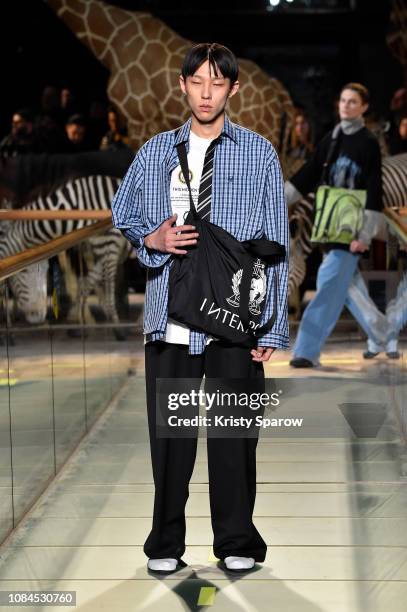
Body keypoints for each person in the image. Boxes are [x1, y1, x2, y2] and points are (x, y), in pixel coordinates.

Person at [111, 42, 289, 573]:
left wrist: (272, 324)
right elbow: (124, 213)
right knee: (170, 439)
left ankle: (236, 540)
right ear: (182, 85)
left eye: (217, 83)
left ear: (234, 89)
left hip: (235, 318)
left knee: (235, 435)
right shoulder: (155, 151)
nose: (206, 92)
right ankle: (165, 543)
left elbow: (274, 240)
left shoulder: (258, 152)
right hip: (170, 314)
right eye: (197, 82)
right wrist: (153, 238)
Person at [285, 83, 383, 367]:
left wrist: (365, 234)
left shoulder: (368, 143)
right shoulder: (332, 139)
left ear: (364, 107)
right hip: (328, 223)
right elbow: (308, 175)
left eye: (353, 102)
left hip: (350, 228)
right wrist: (276, 198)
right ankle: (383, 332)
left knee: (327, 285)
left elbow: (374, 191)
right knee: (348, 288)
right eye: (343, 100)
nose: (346, 106)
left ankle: (305, 351)